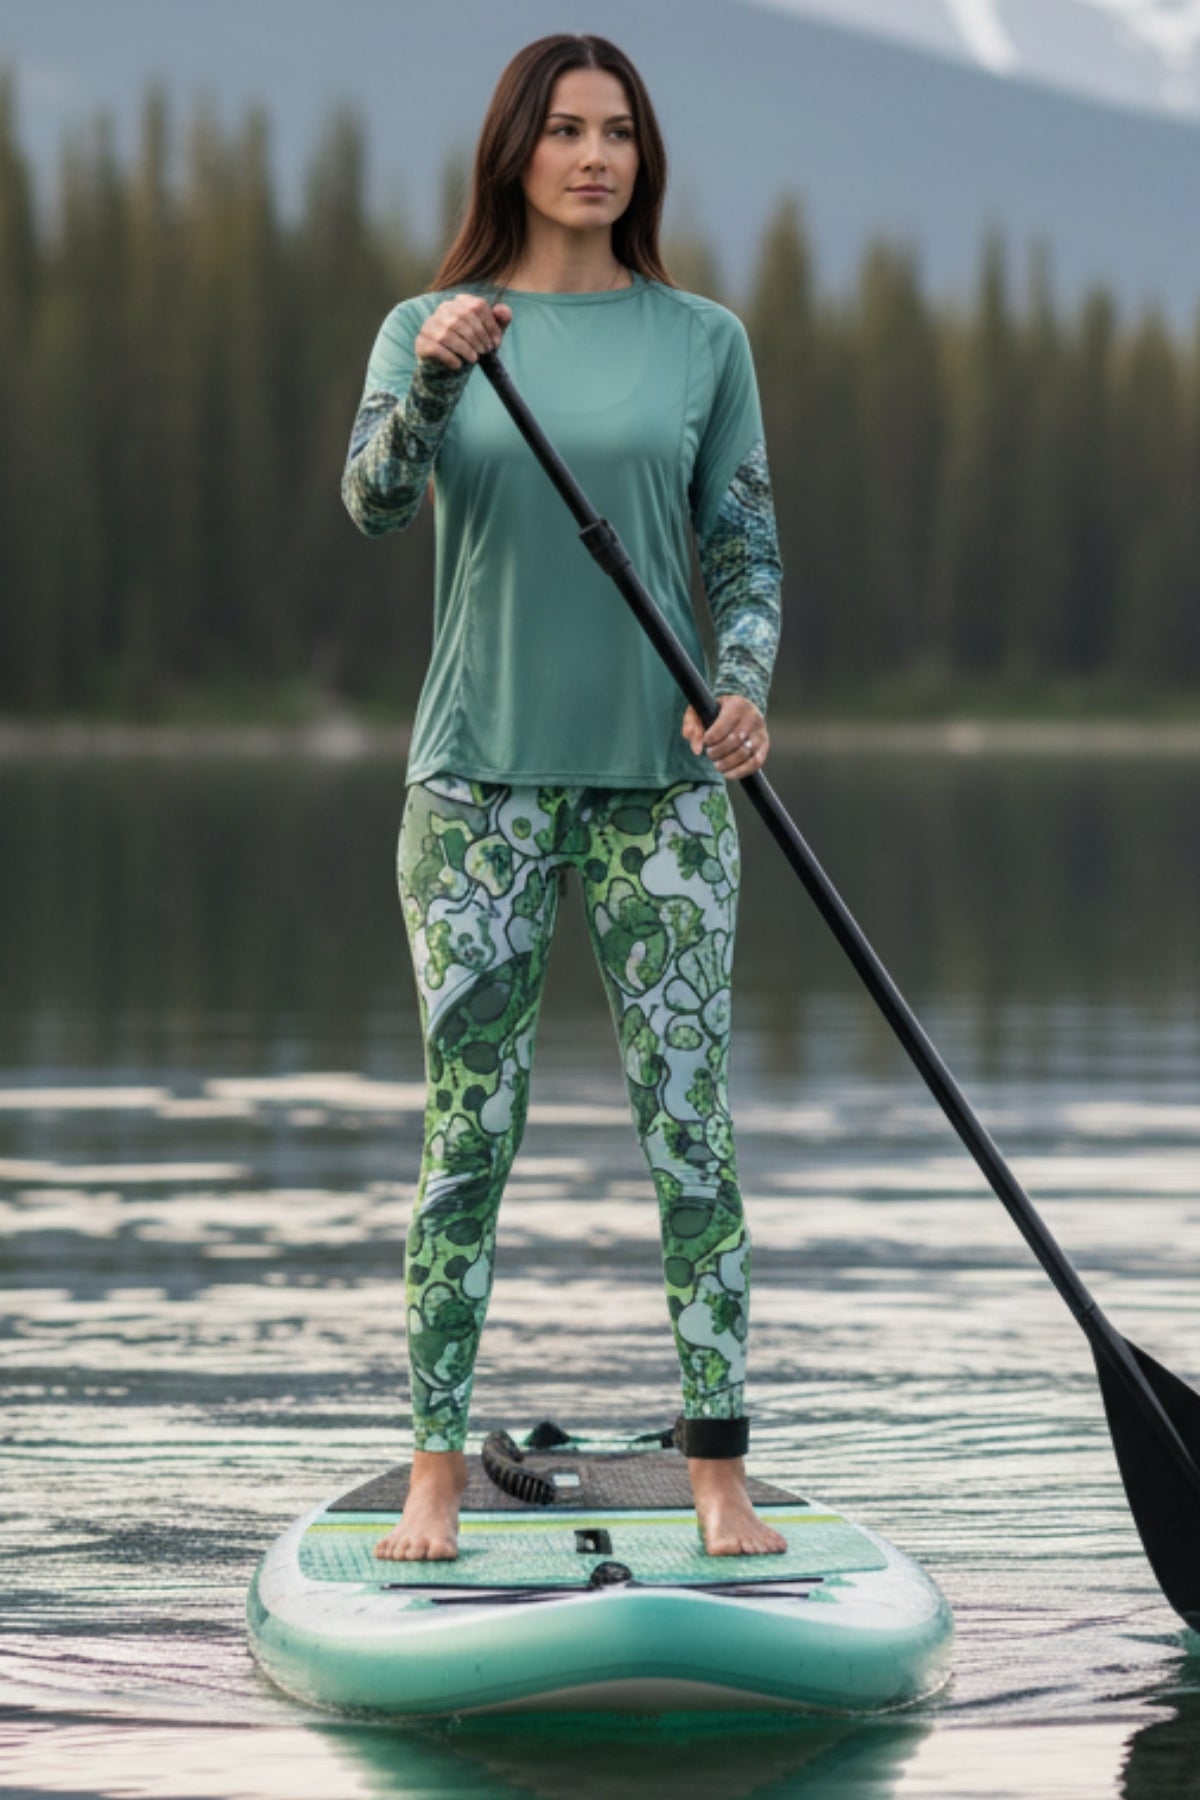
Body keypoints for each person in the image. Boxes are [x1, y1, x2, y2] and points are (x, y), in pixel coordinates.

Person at [342, 32, 785, 1562]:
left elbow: (745, 548)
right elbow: (375, 501)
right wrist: (437, 377)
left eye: (619, 133)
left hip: (663, 793)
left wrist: (743, 687)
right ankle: (434, 1467)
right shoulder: (434, 323)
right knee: (471, 1134)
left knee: (691, 1132)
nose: (596, 156)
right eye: (566, 130)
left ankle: (718, 1470)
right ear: (514, 149)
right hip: (476, 789)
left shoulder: (701, 339)